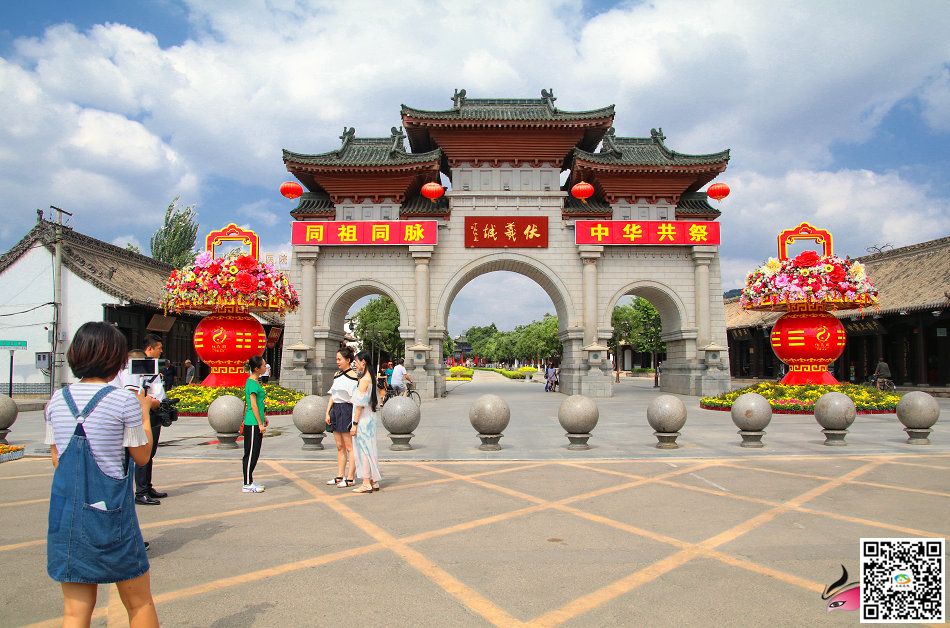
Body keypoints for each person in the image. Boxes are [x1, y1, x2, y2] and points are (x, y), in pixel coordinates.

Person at [44, 322, 159, 627]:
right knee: (139, 602)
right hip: (110, 516)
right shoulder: (123, 400)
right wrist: (144, 412)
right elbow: (142, 456)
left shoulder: (57, 399)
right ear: (115, 359)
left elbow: (57, 458)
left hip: (67, 515)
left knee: (75, 611)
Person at [112, 334, 167, 506]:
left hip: (151, 411)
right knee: (142, 452)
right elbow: (134, 394)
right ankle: (141, 492)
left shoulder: (149, 366)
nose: (161, 351)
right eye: (159, 348)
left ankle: (146, 487)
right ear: (149, 349)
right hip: (141, 414)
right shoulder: (132, 366)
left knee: (150, 452)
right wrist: (151, 402)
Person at [325, 346, 359, 488]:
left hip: (347, 410)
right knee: (339, 446)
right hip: (336, 410)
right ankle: (340, 476)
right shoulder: (336, 375)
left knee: (350, 447)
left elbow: (357, 400)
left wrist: (355, 420)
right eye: (337, 359)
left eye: (340, 359)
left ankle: (350, 478)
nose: (337, 362)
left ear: (348, 360)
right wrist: (327, 412)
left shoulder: (355, 377)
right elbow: (333, 395)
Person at [350, 349, 382, 493]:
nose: (355, 364)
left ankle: (366, 482)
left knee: (363, 450)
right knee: (370, 450)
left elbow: (359, 405)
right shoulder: (371, 378)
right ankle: (374, 481)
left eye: (356, 362)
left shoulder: (364, 380)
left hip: (363, 420)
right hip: (370, 418)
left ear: (363, 362)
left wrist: (354, 424)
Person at [242, 356, 268, 493]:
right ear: (257, 368)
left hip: (256, 421)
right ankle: (247, 484)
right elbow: (252, 405)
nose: (265, 367)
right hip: (252, 423)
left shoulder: (255, 381)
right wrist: (259, 423)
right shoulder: (252, 383)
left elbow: (258, 403)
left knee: (255, 453)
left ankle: (250, 480)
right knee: (251, 453)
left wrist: (264, 418)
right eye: (263, 365)